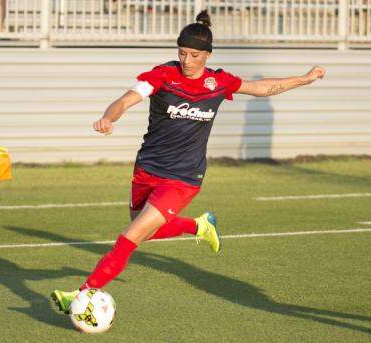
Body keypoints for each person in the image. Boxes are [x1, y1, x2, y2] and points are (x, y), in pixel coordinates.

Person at [51, 10, 325, 312]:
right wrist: (108, 117)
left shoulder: (218, 82)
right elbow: (127, 99)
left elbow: (261, 88)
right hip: (147, 169)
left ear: (206, 55)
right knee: (146, 231)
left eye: (194, 55)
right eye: (182, 53)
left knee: (129, 238)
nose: (186, 60)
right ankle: (199, 226)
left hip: (184, 178)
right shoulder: (163, 76)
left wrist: (305, 79)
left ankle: (81, 295)